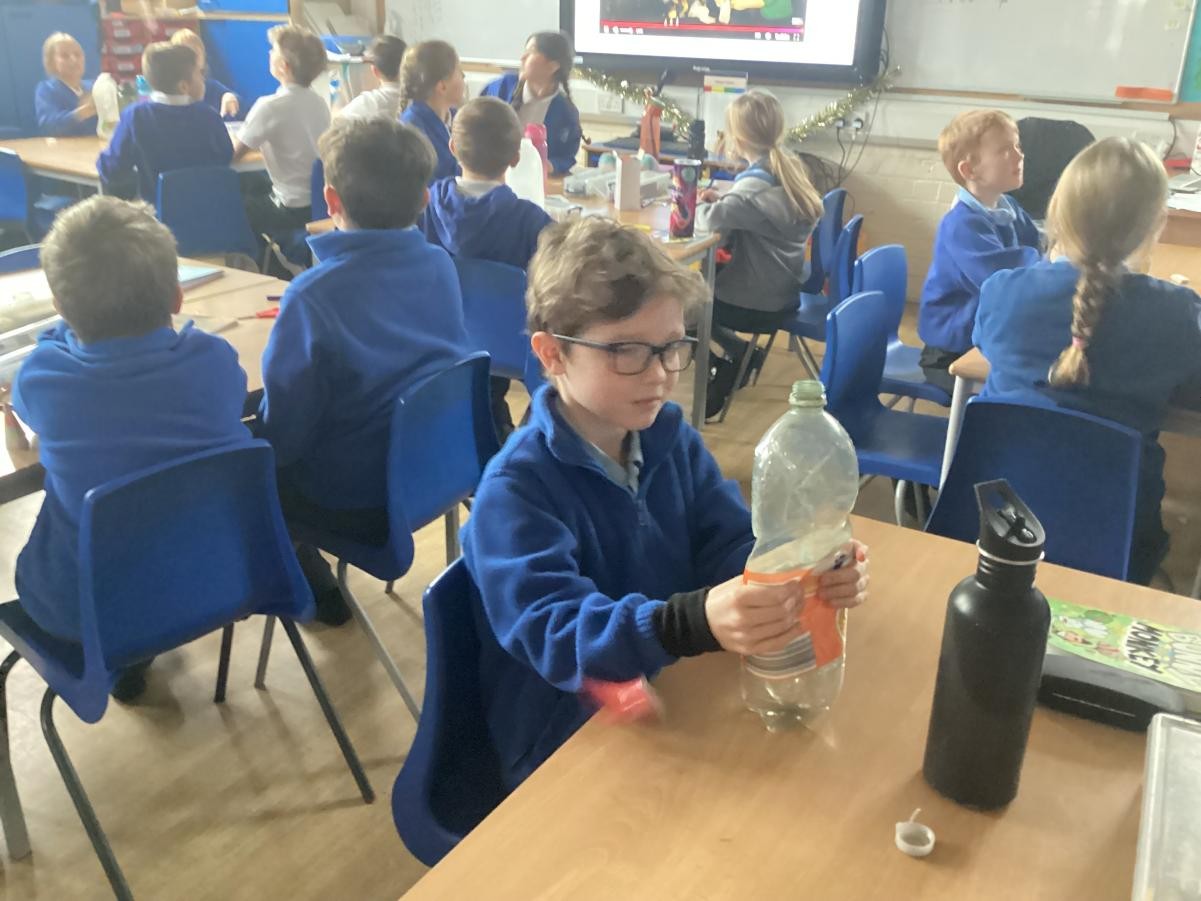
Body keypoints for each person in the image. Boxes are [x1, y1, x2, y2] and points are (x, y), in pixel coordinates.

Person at [461, 217, 870, 790]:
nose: (659, 374)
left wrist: (798, 572)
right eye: (626, 350)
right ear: (552, 354)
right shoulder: (516, 491)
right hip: (565, 736)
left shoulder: (667, 436)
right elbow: (559, 632)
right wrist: (687, 623)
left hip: (672, 686)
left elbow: (726, 540)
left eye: (672, 347)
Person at [13, 196, 250, 700]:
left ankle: (129, 659)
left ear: (61, 307)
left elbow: (30, 407)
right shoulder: (215, 361)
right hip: (216, 576)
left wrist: (58, 335)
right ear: (177, 298)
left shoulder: (45, 378)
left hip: (84, 612)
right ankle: (138, 649)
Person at [255, 117, 471, 623]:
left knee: (250, 472)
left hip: (358, 496)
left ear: (330, 200)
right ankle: (313, 580)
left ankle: (307, 588)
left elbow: (286, 431)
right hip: (440, 468)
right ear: (424, 199)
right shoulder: (440, 264)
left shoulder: (312, 297)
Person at [974, 137, 1201, 584]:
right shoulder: (1177, 315)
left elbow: (985, 348)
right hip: (1118, 536)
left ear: (1058, 212)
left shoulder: (1002, 292)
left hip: (994, 525)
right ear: (1156, 224)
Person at [423, 96, 553, 440]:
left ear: (452, 147)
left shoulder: (425, 207)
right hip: (516, 348)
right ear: (516, 157)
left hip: (441, 341)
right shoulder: (530, 221)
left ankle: (489, 427)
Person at [695, 89, 823, 417]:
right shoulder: (789, 172)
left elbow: (709, 220)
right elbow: (741, 211)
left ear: (737, 139)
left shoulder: (753, 188)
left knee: (677, 303)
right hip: (782, 293)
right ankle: (741, 354)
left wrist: (701, 204)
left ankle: (728, 362)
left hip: (752, 304)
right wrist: (725, 203)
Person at [918, 109, 1042, 393]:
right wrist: (1053, 265)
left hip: (986, 334)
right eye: (1005, 150)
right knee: (1025, 389)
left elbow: (1038, 244)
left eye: (1017, 146)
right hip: (950, 352)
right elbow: (1004, 281)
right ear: (970, 171)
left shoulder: (1007, 207)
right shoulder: (961, 225)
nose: (1019, 155)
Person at [233, 24, 330, 251]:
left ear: (283, 66)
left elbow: (234, 154)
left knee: (236, 203)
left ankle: (265, 259)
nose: (269, 54)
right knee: (255, 183)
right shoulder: (319, 102)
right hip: (319, 202)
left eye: (273, 51)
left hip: (289, 208)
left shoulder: (269, 107)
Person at [96, 42, 233, 201]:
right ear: (183, 86)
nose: (203, 79)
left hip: (157, 211)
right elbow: (226, 155)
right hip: (211, 206)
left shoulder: (135, 116)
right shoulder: (209, 116)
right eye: (199, 74)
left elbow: (112, 168)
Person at [481, 31, 582, 175]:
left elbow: (567, 157)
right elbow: (473, 130)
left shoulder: (566, 112)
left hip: (535, 179)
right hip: (492, 175)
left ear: (552, 66)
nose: (522, 57)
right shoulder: (500, 88)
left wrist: (550, 165)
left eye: (530, 52)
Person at [399, 40, 464, 183]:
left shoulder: (457, 117)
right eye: (458, 71)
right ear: (442, 86)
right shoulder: (413, 128)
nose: (463, 76)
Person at [34, 32, 97, 137]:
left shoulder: (94, 87)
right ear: (51, 63)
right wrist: (83, 112)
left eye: (77, 54)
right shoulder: (47, 89)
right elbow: (48, 126)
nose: (74, 60)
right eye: (65, 56)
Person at [170, 27, 240, 118]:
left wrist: (229, 96)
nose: (193, 59)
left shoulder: (211, 86)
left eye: (196, 53)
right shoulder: (173, 91)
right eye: (186, 55)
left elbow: (233, 98)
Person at [338, 34, 405, 121]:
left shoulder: (368, 103)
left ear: (375, 71)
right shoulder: (419, 97)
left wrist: (339, 97)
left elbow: (337, 123)